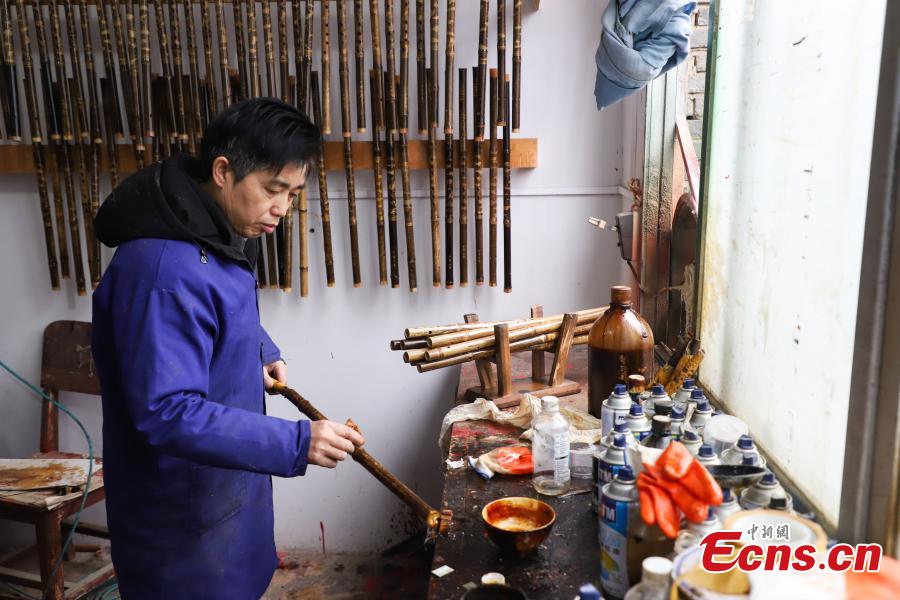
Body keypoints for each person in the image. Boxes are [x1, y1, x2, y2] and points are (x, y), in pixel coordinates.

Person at [91, 98, 365, 599]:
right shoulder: (161, 271)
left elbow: (216, 308)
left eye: (293, 193)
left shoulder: (213, 233)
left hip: (225, 501)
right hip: (179, 525)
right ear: (223, 171)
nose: (282, 208)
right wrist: (297, 442)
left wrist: (258, 349)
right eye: (272, 189)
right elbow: (167, 411)